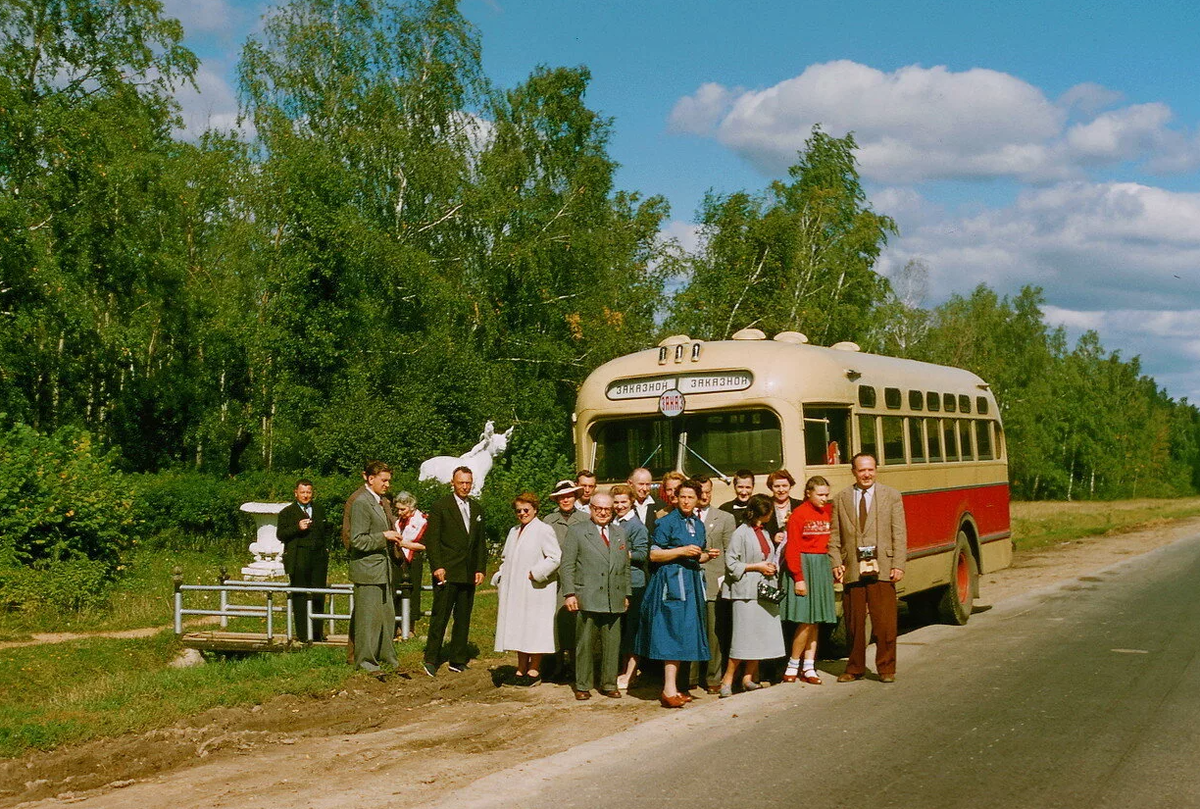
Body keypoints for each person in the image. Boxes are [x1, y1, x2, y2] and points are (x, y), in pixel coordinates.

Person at [830, 453, 907, 683]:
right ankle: (854, 668)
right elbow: (834, 535)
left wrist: (899, 564)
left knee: (884, 622)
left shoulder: (891, 496)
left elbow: (899, 533)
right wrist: (836, 562)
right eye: (862, 470)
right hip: (852, 567)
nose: (867, 474)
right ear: (853, 471)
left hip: (883, 565)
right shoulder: (841, 498)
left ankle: (886, 668)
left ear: (876, 470)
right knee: (854, 623)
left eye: (870, 469)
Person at [636, 479, 714, 708]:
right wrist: (681, 551)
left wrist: (707, 555)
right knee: (671, 632)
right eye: (683, 497)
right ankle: (668, 689)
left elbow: (698, 555)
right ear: (676, 499)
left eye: (691, 497)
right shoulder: (666, 522)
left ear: (698, 499)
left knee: (684, 633)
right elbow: (654, 555)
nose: (687, 501)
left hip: (690, 583)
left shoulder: (698, 524)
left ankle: (675, 687)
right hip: (671, 583)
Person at [349, 461, 421, 672]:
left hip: (382, 570)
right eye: (384, 480)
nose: (388, 484)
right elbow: (357, 540)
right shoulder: (362, 503)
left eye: (389, 480)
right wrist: (384, 536)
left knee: (386, 617)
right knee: (368, 620)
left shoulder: (380, 502)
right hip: (368, 571)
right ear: (371, 479)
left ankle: (388, 658)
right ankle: (366, 662)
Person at [560, 492, 631, 700]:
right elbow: (567, 565)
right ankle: (583, 685)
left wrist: (626, 593)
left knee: (612, 643)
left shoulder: (620, 533)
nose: (602, 512)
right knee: (585, 643)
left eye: (607, 509)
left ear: (612, 511)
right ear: (590, 509)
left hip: (614, 596)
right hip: (587, 596)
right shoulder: (577, 531)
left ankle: (609, 683)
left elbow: (625, 566)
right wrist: (570, 593)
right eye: (598, 508)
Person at [423, 466, 487, 677]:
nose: (465, 486)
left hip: (468, 572)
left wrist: (480, 568)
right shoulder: (441, 506)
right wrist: (438, 566)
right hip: (447, 571)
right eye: (461, 482)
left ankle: (457, 659)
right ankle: (431, 658)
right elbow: (432, 540)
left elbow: (479, 543)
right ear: (453, 482)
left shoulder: (477, 509)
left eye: (468, 483)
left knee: (463, 617)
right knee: (440, 616)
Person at [720, 494, 785, 696]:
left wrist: (770, 566)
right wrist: (756, 566)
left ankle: (748, 678)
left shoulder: (764, 532)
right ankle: (727, 680)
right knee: (743, 638)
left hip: (763, 590)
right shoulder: (741, 533)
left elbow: (766, 555)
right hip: (746, 592)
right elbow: (731, 563)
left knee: (760, 636)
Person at [494, 492, 561, 686]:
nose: (522, 514)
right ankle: (520, 668)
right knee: (518, 628)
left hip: (536, 590)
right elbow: (506, 558)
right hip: (515, 589)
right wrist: (500, 575)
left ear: (535, 509)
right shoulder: (514, 531)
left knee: (534, 628)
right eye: (518, 511)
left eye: (526, 510)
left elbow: (555, 557)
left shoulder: (544, 530)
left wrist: (537, 573)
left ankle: (534, 670)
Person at [781, 476, 836, 684]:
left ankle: (809, 666)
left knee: (816, 620)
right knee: (805, 620)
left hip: (821, 566)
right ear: (808, 493)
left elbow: (830, 543)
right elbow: (793, 547)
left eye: (826, 495)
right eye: (820, 495)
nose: (824, 499)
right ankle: (792, 665)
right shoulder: (798, 515)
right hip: (804, 566)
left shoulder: (826, 513)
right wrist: (798, 577)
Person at [690, 474, 735, 694]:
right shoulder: (683, 517)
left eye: (709, 491)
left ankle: (713, 677)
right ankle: (689, 677)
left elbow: (730, 554)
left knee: (713, 632)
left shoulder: (724, 518)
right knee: (690, 629)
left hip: (714, 582)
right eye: (701, 492)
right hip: (689, 581)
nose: (705, 496)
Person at [543, 479, 589, 681]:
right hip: (556, 580)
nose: (566, 499)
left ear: (576, 497)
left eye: (569, 495)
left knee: (577, 622)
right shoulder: (548, 521)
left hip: (581, 577)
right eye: (562, 496)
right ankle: (557, 665)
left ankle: (578, 665)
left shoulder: (586, 519)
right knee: (556, 622)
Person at [277, 479, 330, 643]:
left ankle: (317, 633)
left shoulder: (319, 509)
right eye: (303, 492)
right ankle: (303, 634)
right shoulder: (287, 512)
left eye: (308, 492)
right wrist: (297, 527)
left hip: (318, 558)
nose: (306, 495)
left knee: (318, 594)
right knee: (299, 595)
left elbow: (327, 530)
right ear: (296, 493)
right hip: (298, 557)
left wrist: (326, 549)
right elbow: (281, 534)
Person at [610, 483, 649, 691]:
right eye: (616, 502)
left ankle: (631, 673)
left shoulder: (636, 526)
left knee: (632, 630)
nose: (619, 506)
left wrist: (620, 554)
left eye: (623, 502)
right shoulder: (613, 522)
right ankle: (623, 671)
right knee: (622, 630)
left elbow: (643, 554)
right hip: (617, 584)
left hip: (634, 583)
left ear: (631, 502)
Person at [390, 491, 427, 641]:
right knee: (397, 591)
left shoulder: (422, 521)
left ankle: (410, 628)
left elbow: (425, 545)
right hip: (399, 560)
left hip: (414, 560)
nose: (400, 513)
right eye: (398, 509)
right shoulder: (398, 522)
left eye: (403, 509)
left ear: (411, 507)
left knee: (412, 593)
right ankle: (396, 627)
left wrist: (405, 544)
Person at [764, 469, 801, 544]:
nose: (781, 490)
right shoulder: (765, 506)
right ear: (771, 487)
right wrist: (772, 537)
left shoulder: (799, 505)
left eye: (784, 486)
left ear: (790, 486)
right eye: (777, 486)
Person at [627, 467, 659, 539]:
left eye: (648, 484)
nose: (645, 489)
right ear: (630, 483)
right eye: (641, 484)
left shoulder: (659, 506)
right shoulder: (623, 506)